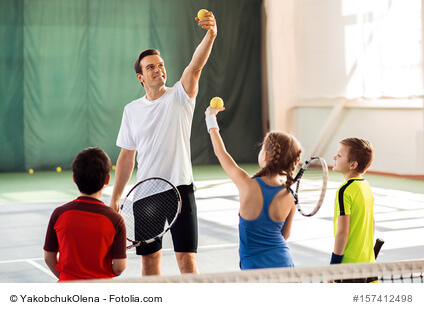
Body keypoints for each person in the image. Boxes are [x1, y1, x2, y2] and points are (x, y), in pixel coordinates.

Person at [110, 11, 218, 275]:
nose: (158, 69)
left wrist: (211, 34)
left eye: (160, 65)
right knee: (150, 262)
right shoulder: (131, 110)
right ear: (140, 77)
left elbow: (195, 66)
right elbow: (126, 156)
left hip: (182, 190)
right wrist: (115, 198)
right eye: (150, 67)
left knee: (187, 262)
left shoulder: (180, 96)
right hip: (147, 194)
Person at [205, 106, 302, 269]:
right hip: (284, 265)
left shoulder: (246, 184)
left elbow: (220, 152)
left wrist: (210, 117)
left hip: (253, 268)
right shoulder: (289, 196)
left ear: (265, 155)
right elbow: (285, 235)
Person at [43, 147, 127, 282]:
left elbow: (48, 258)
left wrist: (66, 277)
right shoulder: (115, 220)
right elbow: (119, 267)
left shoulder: (59, 214)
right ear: (107, 179)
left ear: (74, 178)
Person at [330, 138, 375, 275]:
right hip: (368, 263)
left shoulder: (344, 191)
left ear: (353, 165)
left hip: (348, 267)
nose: (334, 157)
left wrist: (334, 266)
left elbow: (342, 233)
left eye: (339, 155)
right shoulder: (366, 186)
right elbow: (372, 223)